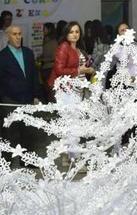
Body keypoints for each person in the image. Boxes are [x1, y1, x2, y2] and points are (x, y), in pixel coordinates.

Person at [0, 24, 41, 164]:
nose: (18, 37)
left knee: (28, 131)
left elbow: (34, 76)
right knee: (9, 133)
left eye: (20, 33)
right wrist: (3, 99)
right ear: (7, 36)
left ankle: (27, 161)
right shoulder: (0, 57)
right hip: (10, 100)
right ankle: (6, 163)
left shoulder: (28, 53)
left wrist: (36, 95)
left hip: (27, 98)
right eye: (14, 34)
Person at [48, 22, 94, 167]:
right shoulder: (63, 47)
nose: (75, 34)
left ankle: (66, 155)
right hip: (66, 91)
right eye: (72, 32)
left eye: (77, 32)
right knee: (73, 126)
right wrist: (80, 70)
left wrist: (88, 69)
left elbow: (78, 67)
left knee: (71, 125)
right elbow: (59, 70)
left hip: (77, 90)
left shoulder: (78, 48)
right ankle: (75, 158)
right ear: (66, 34)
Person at [39, 23, 58, 99]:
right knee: (47, 90)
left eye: (44, 29)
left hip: (50, 68)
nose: (43, 30)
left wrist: (43, 59)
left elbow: (54, 56)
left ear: (49, 30)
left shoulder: (53, 41)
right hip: (46, 67)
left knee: (50, 90)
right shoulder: (46, 40)